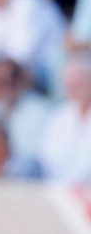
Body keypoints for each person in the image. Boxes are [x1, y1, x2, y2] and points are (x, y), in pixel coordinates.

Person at [40, 53, 91, 183]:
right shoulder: (58, 117)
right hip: (59, 185)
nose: (75, 90)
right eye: (70, 85)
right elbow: (49, 156)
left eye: (80, 84)